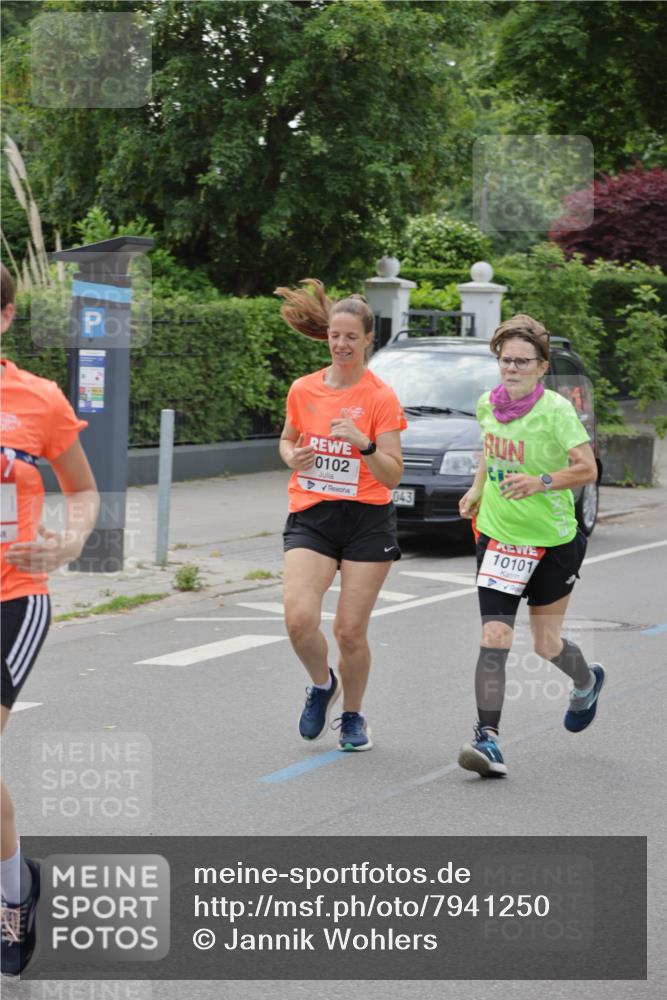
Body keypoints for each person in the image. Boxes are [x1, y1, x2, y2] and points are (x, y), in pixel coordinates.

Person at [1, 262, 99, 974]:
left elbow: (85, 489)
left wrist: (68, 540)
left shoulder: (37, 400)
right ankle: (19, 877)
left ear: (5, 317)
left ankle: (12, 896)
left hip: (12, 597)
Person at [457, 314, 603, 778]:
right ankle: (488, 740)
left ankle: (586, 679)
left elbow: (587, 469)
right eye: (505, 360)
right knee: (495, 635)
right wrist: (479, 487)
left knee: (544, 643)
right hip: (500, 537)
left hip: (553, 540)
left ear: (542, 368)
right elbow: (490, 447)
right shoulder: (487, 404)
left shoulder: (557, 411)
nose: (512, 369)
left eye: (523, 361)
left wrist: (541, 481)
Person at [275, 279, 406, 751]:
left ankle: (352, 716)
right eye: (335, 335)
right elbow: (288, 440)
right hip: (313, 515)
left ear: (369, 339)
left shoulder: (380, 397)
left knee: (350, 631)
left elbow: (392, 475)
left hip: (368, 520)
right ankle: (321, 683)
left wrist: (363, 443)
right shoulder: (304, 389)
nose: (341, 344)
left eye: (352, 336)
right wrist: (292, 457)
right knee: (298, 619)